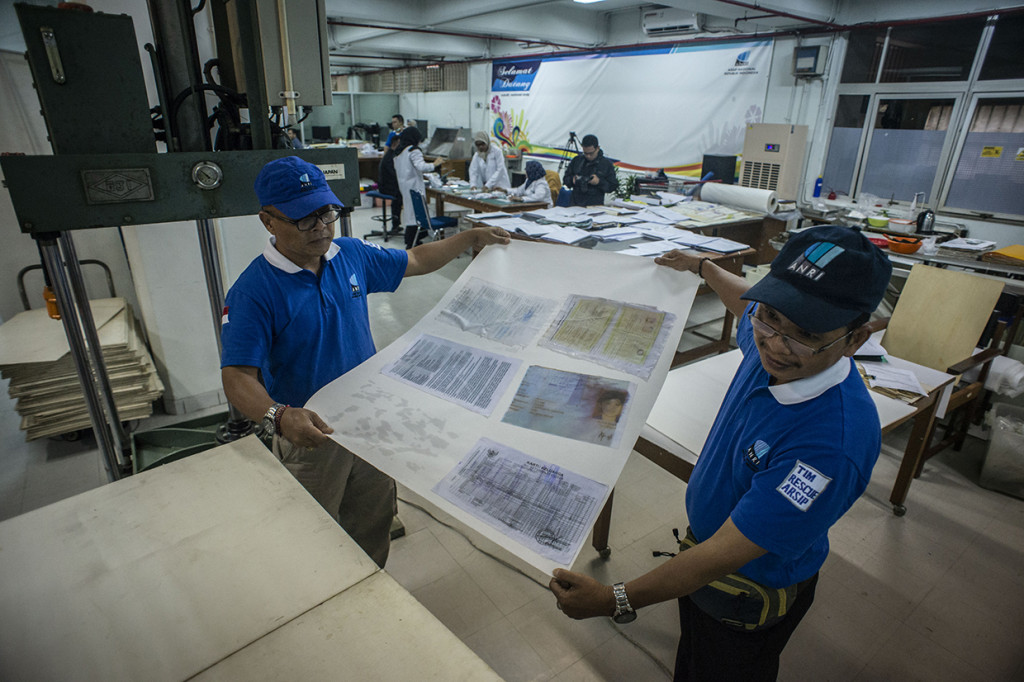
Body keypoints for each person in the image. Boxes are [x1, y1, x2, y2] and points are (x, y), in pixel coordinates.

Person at [550, 225, 893, 681]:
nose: (774, 342)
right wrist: (702, 266)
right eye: (771, 315)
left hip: (745, 587)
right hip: (703, 558)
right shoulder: (777, 350)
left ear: (855, 339)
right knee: (693, 659)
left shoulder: (829, 446)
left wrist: (615, 600)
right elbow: (744, 301)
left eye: (805, 332)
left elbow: (723, 556)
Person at [220, 156, 510, 569]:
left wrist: (469, 237)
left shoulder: (350, 255)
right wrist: (279, 416)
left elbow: (415, 260)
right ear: (268, 221)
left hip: (368, 423)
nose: (321, 227)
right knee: (313, 533)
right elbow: (237, 376)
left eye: (327, 212)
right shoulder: (254, 291)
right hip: (311, 435)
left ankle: (374, 582)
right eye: (304, 218)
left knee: (372, 519)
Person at [394, 126, 444, 249]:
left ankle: (412, 240)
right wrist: (435, 164)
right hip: (414, 188)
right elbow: (421, 166)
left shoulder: (400, 152)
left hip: (405, 187)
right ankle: (412, 243)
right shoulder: (414, 150)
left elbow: (410, 169)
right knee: (416, 216)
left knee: (411, 215)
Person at [561, 133, 616, 206]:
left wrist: (599, 182)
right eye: (585, 153)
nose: (588, 156)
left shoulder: (606, 164)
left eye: (591, 153)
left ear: (597, 148)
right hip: (575, 203)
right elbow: (565, 179)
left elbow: (612, 186)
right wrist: (572, 180)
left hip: (595, 204)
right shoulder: (577, 161)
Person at [377, 131, 403, 235]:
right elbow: (394, 174)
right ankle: (395, 225)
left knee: (399, 196)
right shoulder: (390, 157)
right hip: (386, 188)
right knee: (398, 197)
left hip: (386, 185)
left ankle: (396, 224)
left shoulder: (390, 155)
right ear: (395, 144)